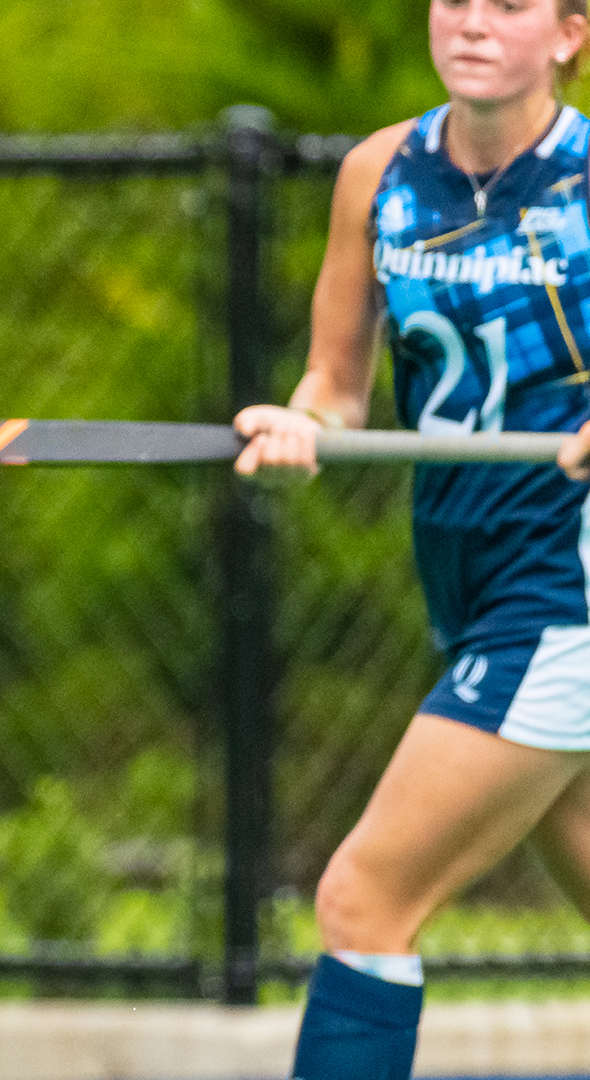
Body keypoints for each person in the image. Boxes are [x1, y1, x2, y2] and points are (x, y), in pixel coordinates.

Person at [233, 3, 590, 1076]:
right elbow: (337, 383)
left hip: (563, 584)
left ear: (570, 34)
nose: (472, 23)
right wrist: (307, 424)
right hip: (465, 573)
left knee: (362, 898)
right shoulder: (379, 172)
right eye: (454, 0)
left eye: (510, 4)